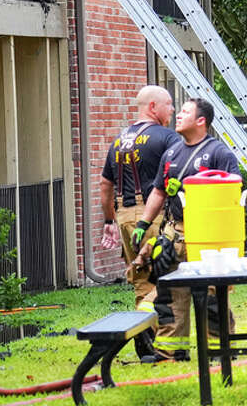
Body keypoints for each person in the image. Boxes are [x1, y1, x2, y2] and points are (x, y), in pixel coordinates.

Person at [133, 98, 240, 362]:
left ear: (201, 121)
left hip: (209, 237)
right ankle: (170, 350)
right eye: (178, 111)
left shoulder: (219, 153)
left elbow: (233, 192)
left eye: (185, 112)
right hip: (175, 236)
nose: (177, 115)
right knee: (170, 293)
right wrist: (143, 223)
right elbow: (159, 190)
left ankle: (220, 350)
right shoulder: (171, 153)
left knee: (213, 294)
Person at [98, 85, 180, 359]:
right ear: (153, 107)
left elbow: (105, 184)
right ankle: (165, 345)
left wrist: (110, 220)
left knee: (141, 280)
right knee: (166, 277)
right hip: (151, 217)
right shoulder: (167, 138)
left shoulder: (119, 140)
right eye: (168, 104)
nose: (172, 110)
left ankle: (145, 343)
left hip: (124, 217)